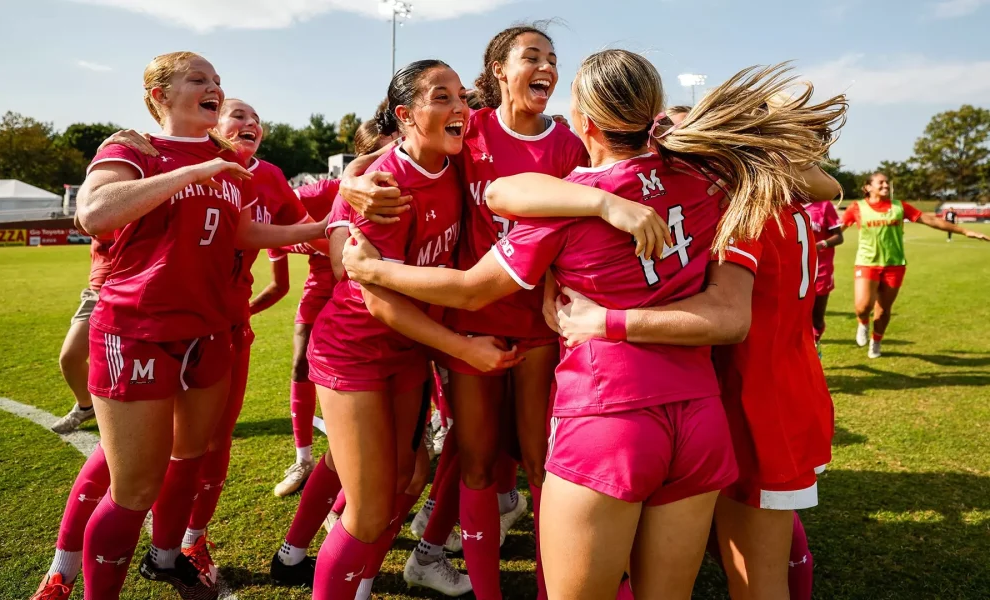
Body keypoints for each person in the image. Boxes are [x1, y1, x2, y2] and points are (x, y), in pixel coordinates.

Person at [342, 52, 844, 600]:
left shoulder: (565, 204)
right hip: (700, 423)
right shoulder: (709, 182)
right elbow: (819, 187)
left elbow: (472, 284)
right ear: (652, 114)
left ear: (582, 122)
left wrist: (373, 269)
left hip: (608, 418)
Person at [31, 94, 325, 600]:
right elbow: (103, 221)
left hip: (223, 326)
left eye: (257, 118)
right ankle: (64, 567)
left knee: (208, 449)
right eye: (238, 113)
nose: (249, 122)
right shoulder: (144, 151)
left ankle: (185, 546)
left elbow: (276, 234)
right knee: (119, 461)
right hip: (143, 320)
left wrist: (331, 228)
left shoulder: (263, 176)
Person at [304, 59, 520, 600]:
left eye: (462, 98)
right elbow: (378, 303)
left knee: (408, 481)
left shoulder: (456, 164)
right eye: (441, 97)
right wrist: (462, 348)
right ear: (406, 114)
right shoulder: (386, 187)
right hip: (353, 351)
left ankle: (360, 582)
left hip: (408, 352)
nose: (460, 109)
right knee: (371, 508)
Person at [265, 117, 395, 498]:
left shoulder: (410, 183)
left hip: (385, 291)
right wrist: (320, 237)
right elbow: (273, 210)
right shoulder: (329, 190)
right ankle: (303, 457)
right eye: (382, 153)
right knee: (301, 361)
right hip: (326, 291)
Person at [843, 172, 989, 358]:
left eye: (887, 183)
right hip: (866, 263)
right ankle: (862, 323)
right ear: (868, 187)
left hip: (894, 265)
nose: (886, 186)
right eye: (881, 183)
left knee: (883, 309)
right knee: (863, 306)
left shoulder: (899, 206)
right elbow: (836, 229)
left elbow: (932, 220)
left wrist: (965, 231)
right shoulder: (857, 207)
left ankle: (876, 341)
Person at [51, 235, 113, 434]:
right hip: (97, 292)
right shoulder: (98, 208)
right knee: (70, 358)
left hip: (131, 288)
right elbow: (84, 223)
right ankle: (86, 406)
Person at [802, 196, 843, 352]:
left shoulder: (824, 206)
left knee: (817, 319)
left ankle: (815, 343)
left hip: (821, 270)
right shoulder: (787, 203)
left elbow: (839, 236)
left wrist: (822, 244)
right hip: (796, 271)